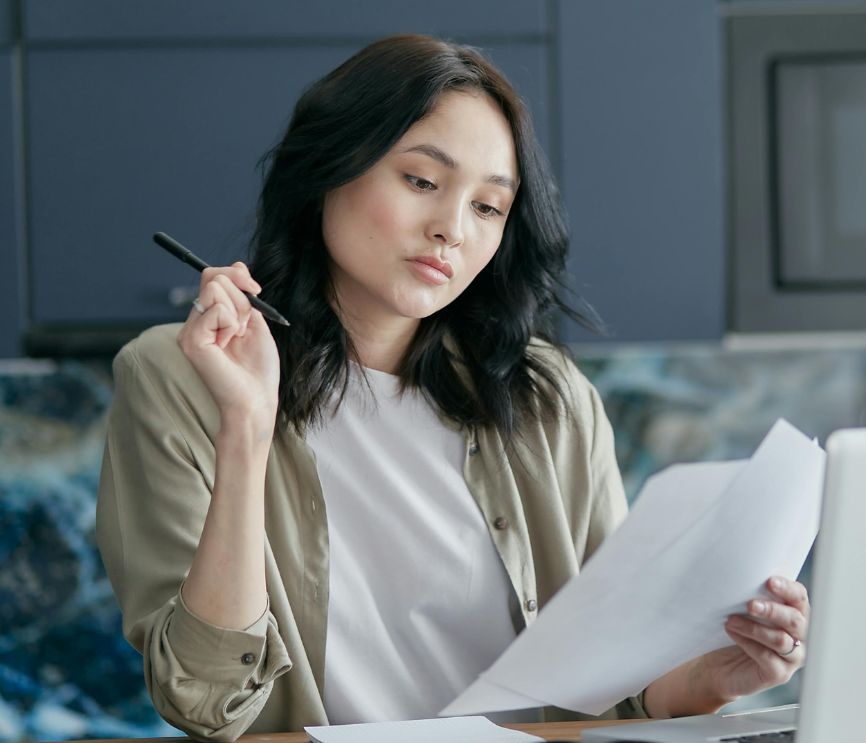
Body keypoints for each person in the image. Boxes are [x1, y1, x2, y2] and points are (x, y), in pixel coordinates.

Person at [96, 34, 809, 742]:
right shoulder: (177, 374)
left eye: (488, 207)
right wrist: (246, 427)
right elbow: (205, 700)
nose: (450, 230)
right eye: (421, 181)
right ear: (326, 169)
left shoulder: (548, 397)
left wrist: (708, 679)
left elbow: (612, 689)